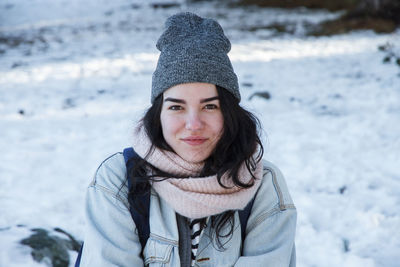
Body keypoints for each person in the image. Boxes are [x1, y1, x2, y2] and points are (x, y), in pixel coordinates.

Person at [79, 12, 296, 267]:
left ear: (229, 113)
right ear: (157, 114)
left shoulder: (263, 184)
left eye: (210, 107)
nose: (193, 125)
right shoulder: (117, 181)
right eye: (176, 107)